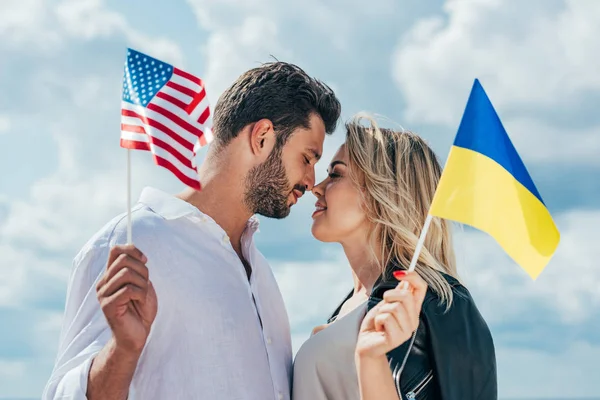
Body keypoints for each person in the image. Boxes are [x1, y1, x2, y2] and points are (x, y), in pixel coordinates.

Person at [42, 62, 341, 400]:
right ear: (262, 137)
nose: (311, 181)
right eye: (307, 157)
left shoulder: (263, 275)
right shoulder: (131, 242)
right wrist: (122, 350)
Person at [292, 114, 497, 400]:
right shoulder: (350, 307)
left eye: (336, 174)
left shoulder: (439, 304)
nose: (316, 186)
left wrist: (371, 359)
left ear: (382, 192)